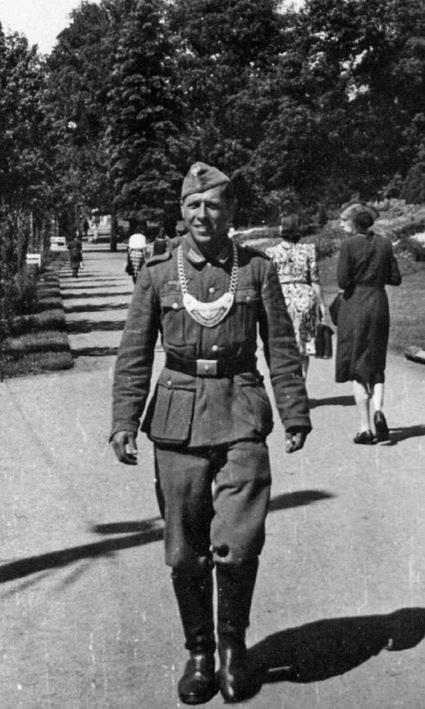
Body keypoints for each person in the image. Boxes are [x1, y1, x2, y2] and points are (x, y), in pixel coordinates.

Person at [110, 162, 311, 705]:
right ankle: (199, 652)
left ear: (230, 211)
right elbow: (134, 353)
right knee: (184, 552)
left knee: (240, 544)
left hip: (241, 410)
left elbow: (282, 346)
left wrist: (294, 411)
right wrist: (124, 420)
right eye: (193, 205)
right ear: (182, 210)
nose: (202, 215)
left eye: (213, 205)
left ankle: (232, 649)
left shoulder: (257, 269)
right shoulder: (157, 272)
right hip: (177, 420)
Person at [335, 201, 401, 444]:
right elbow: (395, 278)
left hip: (356, 305)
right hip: (379, 303)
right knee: (376, 361)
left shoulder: (348, 245)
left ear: (354, 222)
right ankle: (379, 411)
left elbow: (342, 281)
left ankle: (365, 428)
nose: (341, 224)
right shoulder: (384, 243)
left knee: (356, 364)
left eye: (344, 220)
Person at [266, 214, 326, 379]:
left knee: (285, 343)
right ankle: (302, 379)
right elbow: (315, 280)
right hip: (305, 297)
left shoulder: (271, 252)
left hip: (282, 298)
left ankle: (289, 380)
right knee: (304, 344)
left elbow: (269, 281)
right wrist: (321, 304)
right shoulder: (308, 250)